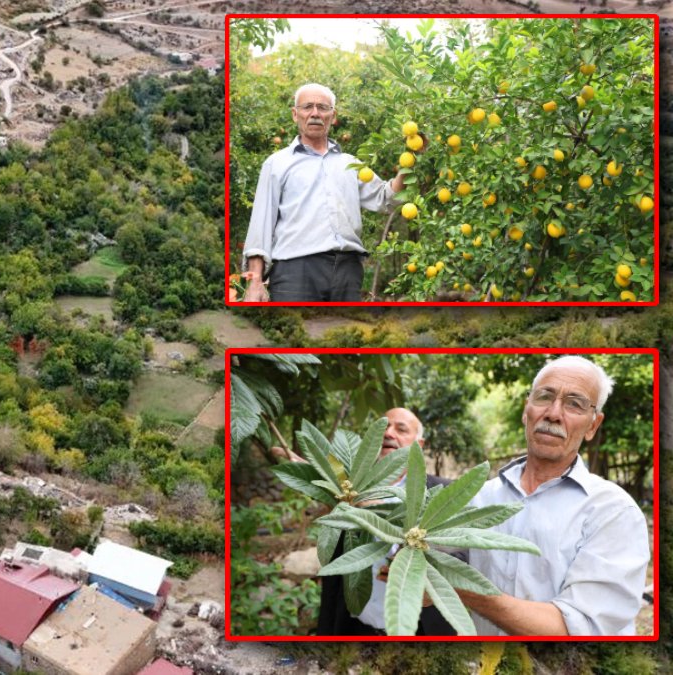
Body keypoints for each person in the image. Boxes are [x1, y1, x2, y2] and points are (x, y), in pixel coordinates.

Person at [458, 356, 649, 636]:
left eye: (575, 404)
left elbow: (576, 627)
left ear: (593, 426)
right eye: (544, 397)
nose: (554, 413)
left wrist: (464, 589)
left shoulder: (613, 511)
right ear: (526, 410)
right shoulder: (477, 498)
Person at [272, 408, 454, 635]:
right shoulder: (348, 483)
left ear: (420, 444)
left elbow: (455, 555)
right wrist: (317, 480)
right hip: (355, 624)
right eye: (383, 427)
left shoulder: (444, 493)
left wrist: (369, 509)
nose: (388, 433)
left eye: (401, 429)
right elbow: (335, 538)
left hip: (420, 630)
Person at [241, 83, 415, 302]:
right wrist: (255, 280)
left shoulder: (350, 164)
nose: (315, 113)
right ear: (295, 114)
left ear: (333, 116)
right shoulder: (277, 163)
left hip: (348, 270)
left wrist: (411, 158)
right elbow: (261, 224)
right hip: (296, 270)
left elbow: (385, 198)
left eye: (323, 107)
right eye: (307, 107)